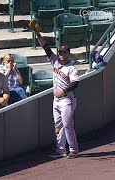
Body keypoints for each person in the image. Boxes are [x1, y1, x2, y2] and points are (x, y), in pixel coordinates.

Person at [31, 20, 80, 159]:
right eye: (60, 52)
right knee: (58, 126)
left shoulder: (71, 67)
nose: (61, 54)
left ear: (68, 54)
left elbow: (76, 83)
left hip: (67, 100)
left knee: (67, 125)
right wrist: (38, 33)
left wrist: (63, 91)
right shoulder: (55, 60)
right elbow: (46, 47)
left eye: (64, 52)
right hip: (56, 100)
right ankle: (60, 150)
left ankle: (73, 149)